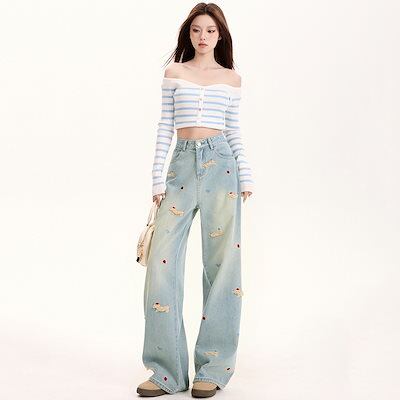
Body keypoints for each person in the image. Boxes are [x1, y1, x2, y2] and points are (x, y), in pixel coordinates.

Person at [137, 3, 255, 398]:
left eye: (210, 30)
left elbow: (233, 130)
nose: (203, 37)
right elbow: (165, 126)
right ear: (188, 34)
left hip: (223, 167)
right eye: (196, 30)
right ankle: (166, 372)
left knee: (222, 267)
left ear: (220, 35)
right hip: (181, 167)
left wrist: (246, 174)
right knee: (161, 265)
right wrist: (157, 176)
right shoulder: (175, 73)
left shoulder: (232, 79)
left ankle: (214, 367)